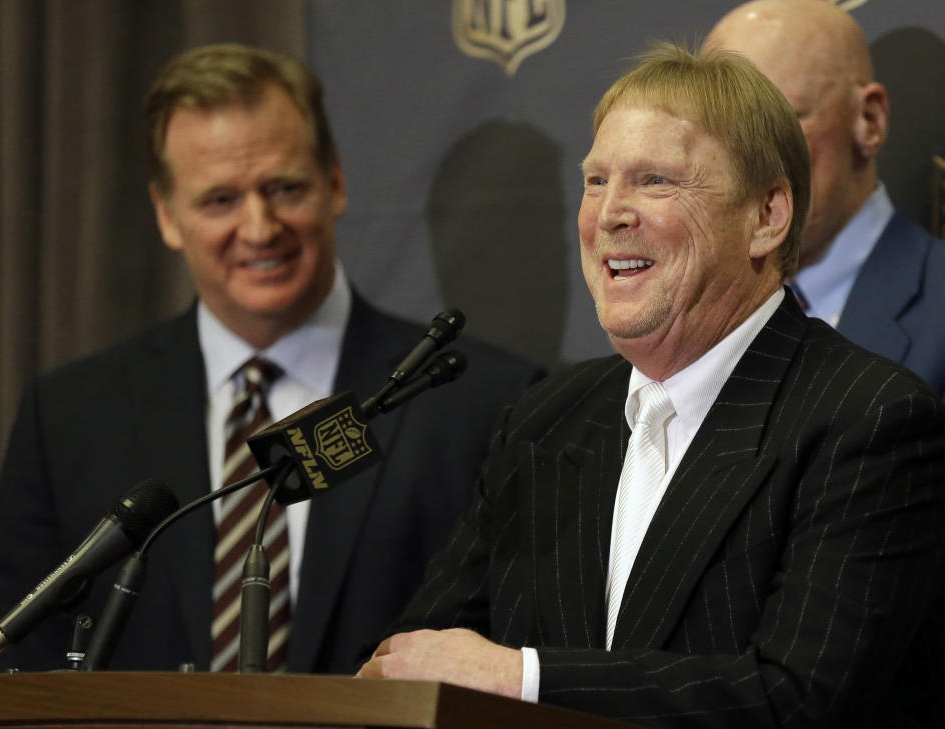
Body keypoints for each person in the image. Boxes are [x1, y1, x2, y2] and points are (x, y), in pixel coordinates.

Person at [357, 43, 945, 728]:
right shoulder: (545, 420)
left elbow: (795, 697)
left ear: (766, 216)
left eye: (655, 181)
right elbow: (416, 662)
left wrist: (520, 676)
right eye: (596, 180)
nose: (609, 213)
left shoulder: (869, 419)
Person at [0, 44, 541, 674]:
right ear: (167, 215)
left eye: (284, 187)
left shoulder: (479, 400)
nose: (259, 227)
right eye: (220, 200)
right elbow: (20, 672)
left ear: (334, 182)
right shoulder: (67, 418)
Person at [704, 0, 945, 396]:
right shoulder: (687, 327)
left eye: (777, 123)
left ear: (869, 121)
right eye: (715, 134)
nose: (738, 163)